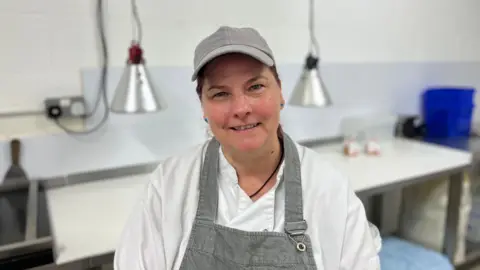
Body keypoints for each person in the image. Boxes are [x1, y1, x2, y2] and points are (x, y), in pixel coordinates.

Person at [114, 26, 381, 270]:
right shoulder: (169, 185)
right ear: (203, 107)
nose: (241, 108)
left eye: (255, 87)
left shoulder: (328, 189)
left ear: (280, 92)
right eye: (220, 93)